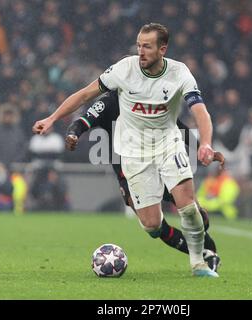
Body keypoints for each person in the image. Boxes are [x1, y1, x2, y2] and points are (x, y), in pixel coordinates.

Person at [33, 23, 221, 277]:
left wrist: (206, 143)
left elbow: (200, 111)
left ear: (162, 49)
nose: (140, 51)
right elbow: (84, 94)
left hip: (168, 145)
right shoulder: (124, 69)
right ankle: (195, 242)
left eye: (147, 46)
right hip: (133, 154)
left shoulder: (180, 73)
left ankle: (199, 262)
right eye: (139, 45)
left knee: (187, 206)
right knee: (152, 225)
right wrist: (53, 118)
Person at [65, 90, 223, 272]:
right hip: (128, 173)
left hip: (159, 164)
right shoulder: (108, 102)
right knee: (154, 227)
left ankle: (208, 251)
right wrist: (73, 134)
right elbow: (83, 121)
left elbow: (175, 125)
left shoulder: (148, 97)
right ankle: (205, 255)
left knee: (196, 215)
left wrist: (202, 147)